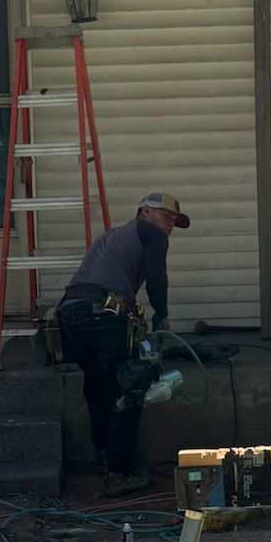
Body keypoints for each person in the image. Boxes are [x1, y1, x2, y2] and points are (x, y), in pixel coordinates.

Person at [56, 193, 190, 498]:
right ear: (145, 212)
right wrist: (162, 314)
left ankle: (104, 454)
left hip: (70, 313)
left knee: (98, 386)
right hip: (102, 314)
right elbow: (156, 277)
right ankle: (122, 472)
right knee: (129, 387)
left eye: (174, 221)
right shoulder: (151, 234)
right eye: (166, 216)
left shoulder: (111, 237)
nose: (169, 225)